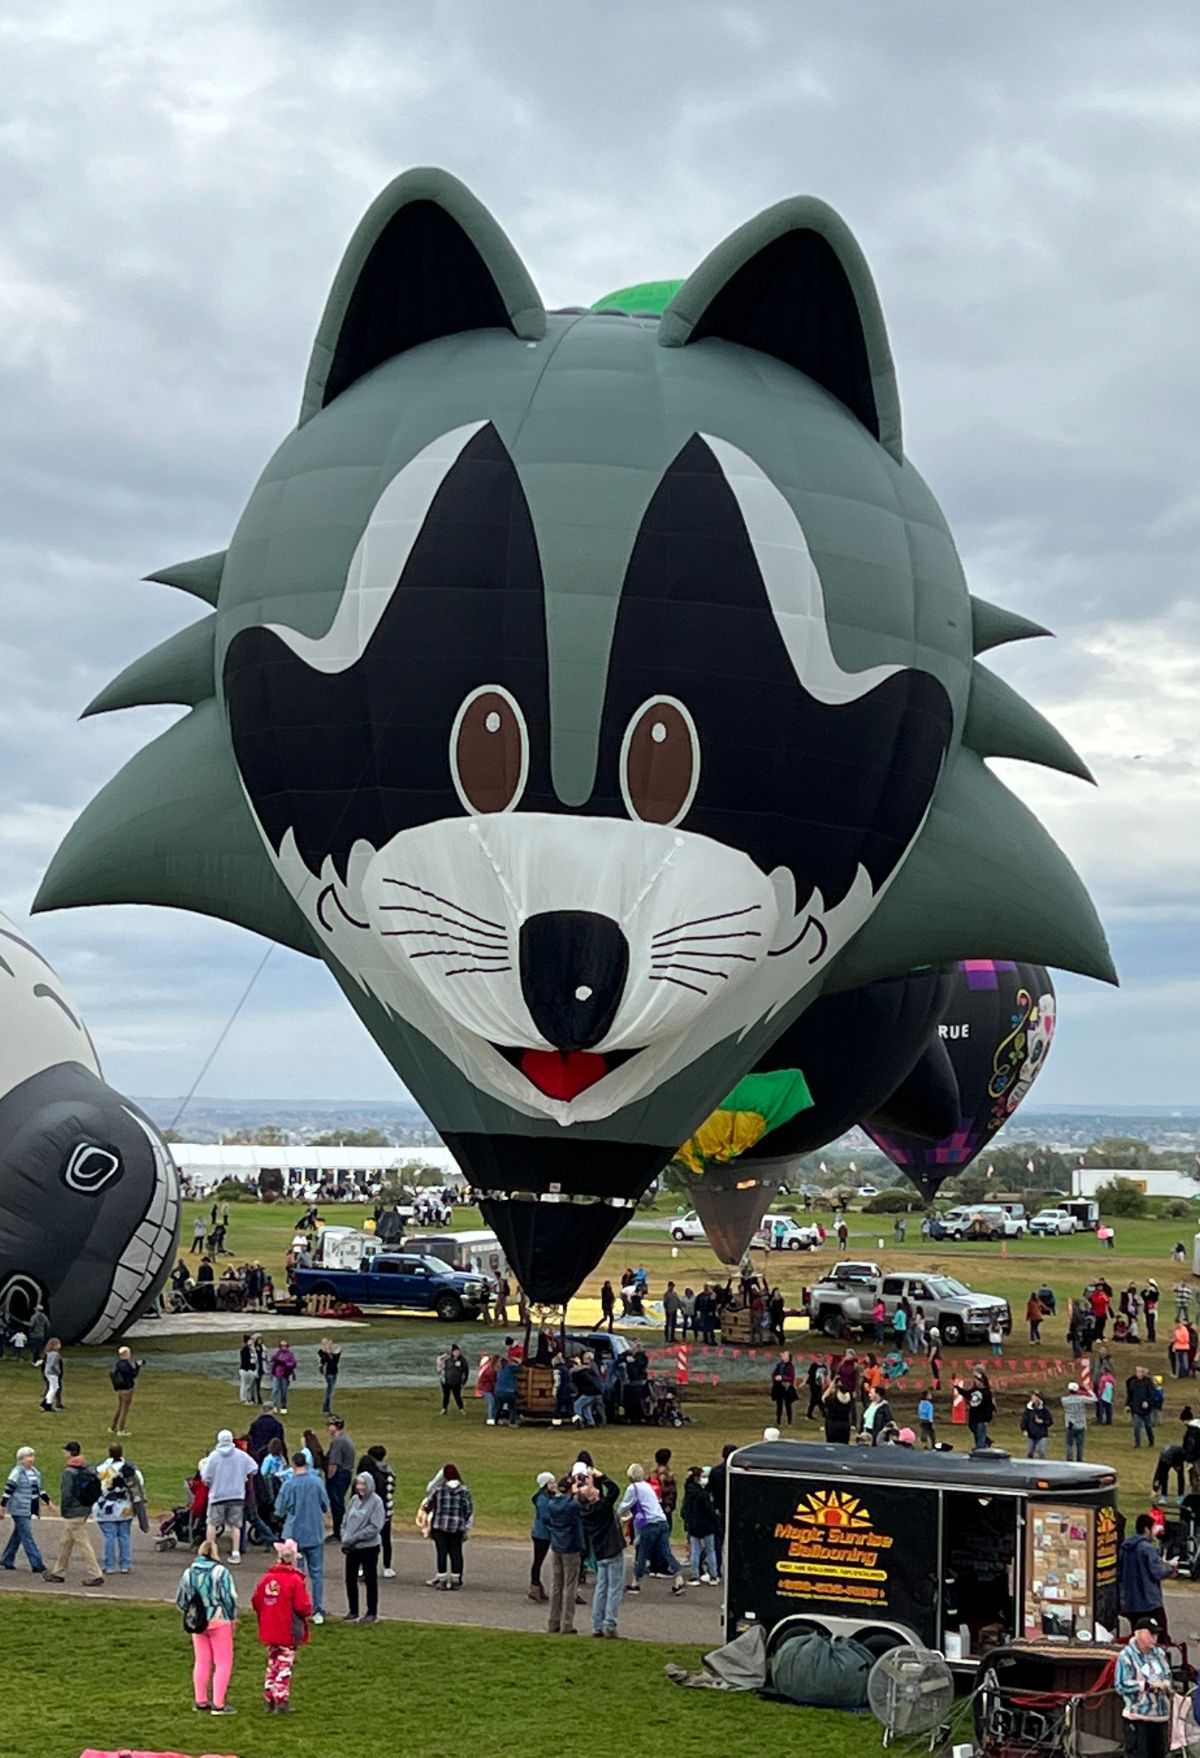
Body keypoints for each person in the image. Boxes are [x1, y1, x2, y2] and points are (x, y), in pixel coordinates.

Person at [177, 1537, 239, 1716]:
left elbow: (181, 1599)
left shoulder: (189, 1573)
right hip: (219, 1620)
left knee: (202, 1661)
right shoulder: (221, 1572)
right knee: (223, 1662)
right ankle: (219, 1704)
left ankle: (200, 1700)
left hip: (198, 1622)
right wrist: (232, 1617)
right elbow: (230, 1598)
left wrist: (190, 1613)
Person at [251, 1539, 313, 1715]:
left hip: (270, 1627)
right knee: (284, 1665)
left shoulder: (267, 1579)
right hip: (287, 1629)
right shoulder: (294, 1580)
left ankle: (269, 1697)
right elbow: (303, 1606)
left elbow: (256, 1600)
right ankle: (281, 1700)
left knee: (272, 1663)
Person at [274, 1452, 330, 1625]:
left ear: (293, 1465)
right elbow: (325, 1505)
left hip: (294, 1536)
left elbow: (279, 1510)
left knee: (295, 1575)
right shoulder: (317, 1482)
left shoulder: (289, 1485)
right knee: (317, 1573)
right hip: (314, 1532)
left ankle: (297, 1608)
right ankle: (317, 1609)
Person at [620, 1463, 685, 1594]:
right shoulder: (647, 1486)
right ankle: (679, 1578)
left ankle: (635, 1582)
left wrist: (617, 1515)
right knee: (665, 1552)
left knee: (642, 1552)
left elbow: (624, 1506)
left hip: (650, 1524)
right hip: (662, 1521)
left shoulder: (633, 1488)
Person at [45, 1441, 103, 1585]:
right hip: (85, 1508)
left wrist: (64, 1511)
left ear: (69, 1453)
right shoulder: (87, 1468)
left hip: (73, 1511)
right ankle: (58, 1572)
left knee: (83, 1542)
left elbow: (66, 1494)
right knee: (66, 1541)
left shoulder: (69, 1472)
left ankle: (95, 1574)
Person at [577, 1465, 625, 1638]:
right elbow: (614, 1489)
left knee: (601, 1587)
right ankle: (610, 1623)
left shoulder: (585, 1512)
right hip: (612, 1548)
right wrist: (601, 1476)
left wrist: (586, 1484)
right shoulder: (601, 1508)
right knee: (614, 1588)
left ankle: (597, 1625)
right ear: (591, 1496)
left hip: (600, 1551)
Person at [1115, 1616, 1172, 1758]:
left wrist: (1166, 1685)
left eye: (1156, 1634)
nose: (1155, 1637)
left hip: (1160, 1717)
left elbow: (1168, 1675)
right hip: (1138, 1717)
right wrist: (1146, 1685)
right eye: (1151, 1633)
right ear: (1138, 1633)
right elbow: (1121, 1684)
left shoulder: (1160, 1654)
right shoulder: (1126, 1655)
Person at [201, 1428, 258, 1563]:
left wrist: (211, 1483)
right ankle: (236, 1553)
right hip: (237, 1494)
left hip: (218, 1494)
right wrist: (243, 1476)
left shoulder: (214, 1456)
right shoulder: (241, 1455)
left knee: (212, 1523)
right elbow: (254, 1468)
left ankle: (210, 1552)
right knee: (235, 1525)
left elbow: (206, 1475)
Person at [1118, 1514, 1177, 1640]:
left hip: (1132, 1603)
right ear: (1146, 1529)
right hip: (1149, 1603)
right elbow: (1157, 1572)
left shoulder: (1125, 1547)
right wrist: (1171, 1566)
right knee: (1161, 1637)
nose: (1155, 1531)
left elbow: (1120, 1573)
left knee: (1138, 1638)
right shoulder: (1147, 1548)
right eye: (1153, 1527)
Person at [340, 1471, 385, 1622]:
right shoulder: (353, 1500)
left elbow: (374, 1527)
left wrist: (354, 1538)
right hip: (352, 1547)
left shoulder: (376, 1502)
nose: (360, 1487)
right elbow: (346, 1519)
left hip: (368, 1547)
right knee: (350, 1578)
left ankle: (372, 1612)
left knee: (370, 1579)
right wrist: (344, 1536)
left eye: (363, 1484)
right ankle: (353, 1610)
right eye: (358, 1484)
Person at [545, 1474, 585, 1634]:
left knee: (556, 1585)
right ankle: (567, 1623)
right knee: (570, 1586)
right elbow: (579, 1506)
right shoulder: (572, 1506)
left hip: (557, 1546)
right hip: (571, 1547)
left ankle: (553, 1621)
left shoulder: (552, 1503)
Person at [424, 1462, 473, 1589]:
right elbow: (468, 1509)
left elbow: (429, 1504)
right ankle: (456, 1579)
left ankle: (442, 1578)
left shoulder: (439, 1490)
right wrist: (463, 1522)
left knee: (442, 1552)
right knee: (456, 1552)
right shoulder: (464, 1490)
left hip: (440, 1525)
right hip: (457, 1526)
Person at [0, 1446, 49, 1574]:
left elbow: (40, 1489)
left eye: (32, 1456)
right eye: (28, 1456)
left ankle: (6, 1559)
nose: (31, 1459)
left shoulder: (35, 1472)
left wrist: (48, 1501)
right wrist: (2, 1506)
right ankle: (37, 1563)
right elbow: (8, 1489)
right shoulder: (17, 1472)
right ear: (21, 1459)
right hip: (19, 1508)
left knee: (18, 1535)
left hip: (29, 1508)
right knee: (27, 1536)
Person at [95, 1441, 141, 1574]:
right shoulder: (130, 1469)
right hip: (125, 1507)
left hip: (107, 1507)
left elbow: (98, 1486)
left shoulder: (102, 1468)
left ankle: (109, 1566)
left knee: (110, 1536)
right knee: (124, 1535)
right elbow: (139, 1485)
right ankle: (125, 1564)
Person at [681, 1465, 719, 1584]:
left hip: (694, 1524)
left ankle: (695, 1576)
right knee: (710, 1550)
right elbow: (710, 1510)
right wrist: (714, 1519)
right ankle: (713, 1576)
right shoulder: (703, 1494)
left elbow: (685, 1509)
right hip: (707, 1525)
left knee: (695, 1551)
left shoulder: (689, 1493)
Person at [362, 1445, 396, 1578]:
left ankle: (365, 1567)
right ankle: (387, 1566)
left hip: (371, 1511)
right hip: (386, 1509)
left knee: (367, 1539)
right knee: (386, 1539)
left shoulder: (370, 1473)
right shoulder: (390, 1472)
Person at [325, 1417, 355, 1540]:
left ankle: (339, 1532)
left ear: (336, 1427)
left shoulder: (338, 1442)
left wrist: (329, 1477)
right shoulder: (346, 1439)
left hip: (339, 1475)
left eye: (330, 1425)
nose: (328, 1428)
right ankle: (341, 1530)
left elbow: (333, 1464)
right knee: (339, 1503)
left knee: (337, 1504)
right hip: (346, 1473)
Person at [528, 1470, 555, 1602]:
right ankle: (535, 1586)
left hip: (542, 1533)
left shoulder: (546, 1497)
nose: (554, 1484)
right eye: (551, 1482)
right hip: (542, 1534)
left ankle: (537, 1585)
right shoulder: (543, 1499)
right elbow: (546, 1517)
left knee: (538, 1561)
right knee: (538, 1561)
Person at [1061, 1381, 1097, 1461]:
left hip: (1070, 1424)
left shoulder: (1064, 1400)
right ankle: (1079, 1460)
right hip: (1081, 1424)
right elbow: (1094, 1399)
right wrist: (1088, 1390)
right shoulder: (1081, 1399)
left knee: (1069, 1444)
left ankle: (1069, 1459)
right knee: (1080, 1445)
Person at [109, 1346, 141, 1435]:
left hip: (120, 1389)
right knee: (124, 1409)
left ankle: (113, 1427)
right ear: (125, 1354)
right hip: (126, 1389)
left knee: (120, 1408)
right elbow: (133, 1374)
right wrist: (137, 1366)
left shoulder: (118, 1364)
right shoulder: (125, 1365)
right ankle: (121, 1429)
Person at [1127, 1367, 1157, 1448]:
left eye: (1141, 1372)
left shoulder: (1148, 1382)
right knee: (1136, 1426)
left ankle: (1151, 1441)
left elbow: (1152, 1394)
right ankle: (1137, 1443)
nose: (1139, 1374)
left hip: (1146, 1409)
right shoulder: (1133, 1383)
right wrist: (1128, 1405)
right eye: (1137, 1372)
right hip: (1136, 1408)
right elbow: (1130, 1395)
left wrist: (1147, 1402)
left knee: (1148, 1426)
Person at [1020, 1392, 1053, 1460]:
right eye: (1033, 1397)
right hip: (1031, 1435)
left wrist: (1043, 1422)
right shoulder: (1028, 1410)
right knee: (1029, 1452)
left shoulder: (1044, 1410)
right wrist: (1024, 1429)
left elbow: (1050, 1421)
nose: (1034, 1398)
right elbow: (1024, 1420)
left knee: (1041, 1452)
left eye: (1035, 1397)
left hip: (1042, 1434)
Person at [967, 1369, 995, 1450]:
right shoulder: (974, 1391)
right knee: (977, 1435)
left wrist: (987, 1419)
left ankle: (982, 1449)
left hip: (981, 1419)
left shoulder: (986, 1392)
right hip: (973, 1419)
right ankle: (986, 1441)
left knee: (980, 1443)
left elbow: (989, 1406)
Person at [438, 1343, 469, 1415]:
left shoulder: (463, 1361)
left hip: (457, 1382)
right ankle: (444, 1409)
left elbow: (466, 1372)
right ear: (452, 1352)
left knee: (457, 1396)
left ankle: (461, 1409)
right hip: (447, 1382)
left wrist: (463, 1382)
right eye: (455, 1351)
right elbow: (442, 1370)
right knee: (446, 1396)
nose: (457, 1353)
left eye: (458, 1351)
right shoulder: (448, 1361)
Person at [770, 1351, 797, 1427]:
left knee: (788, 1405)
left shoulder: (791, 1366)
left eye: (785, 1355)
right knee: (779, 1405)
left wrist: (783, 1378)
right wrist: (775, 1377)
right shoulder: (779, 1365)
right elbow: (773, 1374)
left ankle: (789, 1422)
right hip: (779, 1387)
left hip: (787, 1388)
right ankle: (778, 1421)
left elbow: (791, 1377)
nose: (783, 1356)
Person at [268, 1341, 296, 1412]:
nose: (284, 1347)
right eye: (282, 1346)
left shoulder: (290, 1354)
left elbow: (294, 1364)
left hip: (285, 1375)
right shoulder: (277, 1353)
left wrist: (285, 1364)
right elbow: (271, 1361)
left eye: (285, 1346)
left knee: (284, 1392)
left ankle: (283, 1407)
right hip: (276, 1374)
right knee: (275, 1390)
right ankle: (273, 1406)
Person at [318, 1339, 341, 1416]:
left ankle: (326, 1408)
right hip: (329, 1374)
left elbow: (337, 1350)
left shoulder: (336, 1354)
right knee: (330, 1392)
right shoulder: (325, 1355)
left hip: (334, 1373)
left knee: (330, 1392)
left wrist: (328, 1347)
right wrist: (326, 1346)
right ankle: (326, 1409)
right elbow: (322, 1357)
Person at [40, 1336, 64, 1413]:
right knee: (54, 1388)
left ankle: (45, 1402)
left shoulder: (48, 1353)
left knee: (53, 1388)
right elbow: (53, 1365)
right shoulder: (55, 1354)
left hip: (48, 1373)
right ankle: (48, 1405)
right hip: (53, 1373)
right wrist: (58, 1371)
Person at [238, 1336, 257, 1405]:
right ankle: (243, 1399)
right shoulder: (244, 1349)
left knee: (249, 1385)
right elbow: (246, 1360)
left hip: (251, 1369)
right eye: (250, 1340)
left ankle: (248, 1399)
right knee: (244, 1385)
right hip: (245, 1370)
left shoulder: (252, 1349)